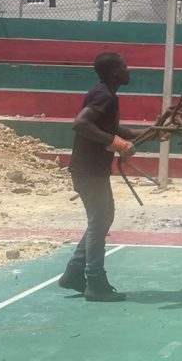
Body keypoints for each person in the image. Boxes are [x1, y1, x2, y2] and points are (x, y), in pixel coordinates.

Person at [57, 52, 140, 302]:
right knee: (99, 221)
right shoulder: (105, 96)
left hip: (92, 169)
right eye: (124, 66)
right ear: (115, 72)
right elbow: (81, 124)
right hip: (88, 170)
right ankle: (95, 280)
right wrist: (117, 143)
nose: (128, 69)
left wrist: (149, 133)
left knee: (103, 218)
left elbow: (112, 130)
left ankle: (74, 271)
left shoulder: (106, 94)